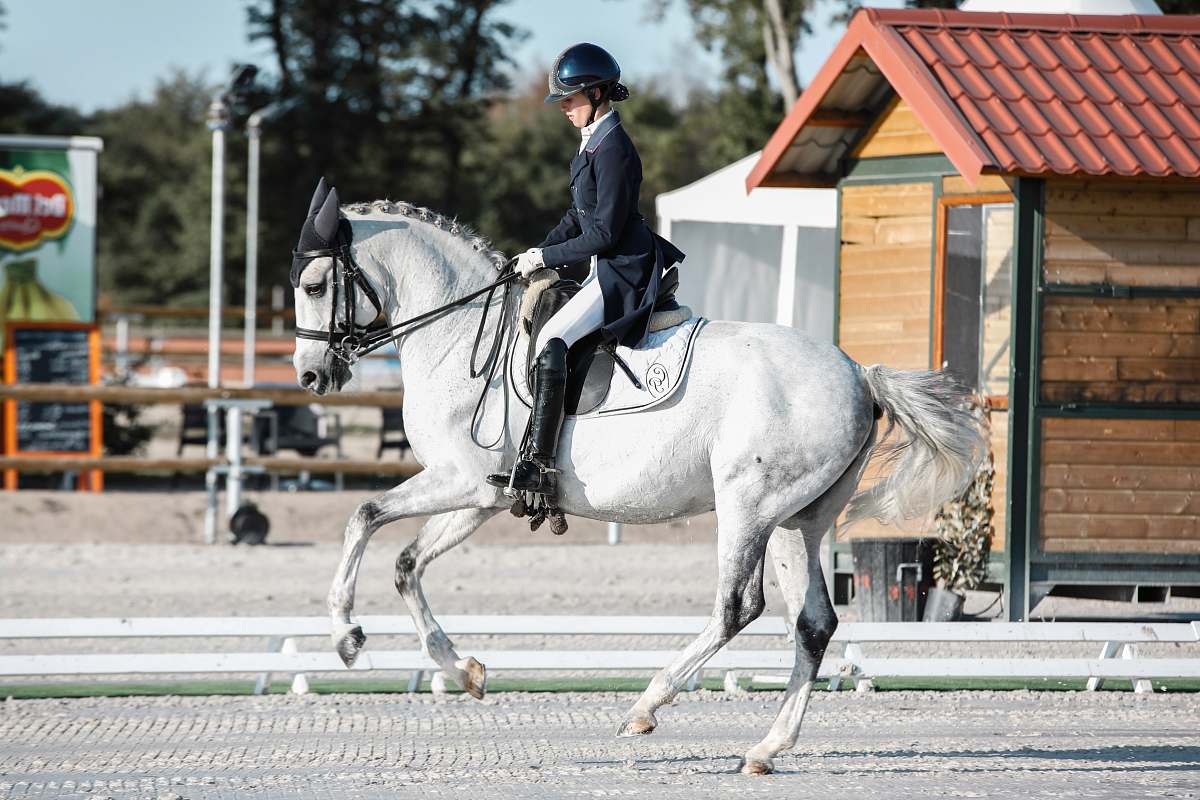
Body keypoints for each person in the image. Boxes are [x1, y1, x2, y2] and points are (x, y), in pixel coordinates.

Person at [486, 42, 686, 500]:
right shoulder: (592, 146)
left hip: (623, 270)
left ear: (596, 94)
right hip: (604, 264)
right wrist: (535, 251)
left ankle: (539, 462)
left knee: (552, 341)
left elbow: (603, 235)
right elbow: (578, 218)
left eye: (569, 99)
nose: (563, 108)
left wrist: (545, 261)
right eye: (561, 100)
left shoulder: (614, 150)